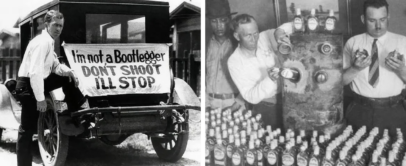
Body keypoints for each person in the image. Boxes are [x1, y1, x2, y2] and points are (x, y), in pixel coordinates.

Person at [16, 10, 84, 166]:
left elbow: (54, 66)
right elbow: (35, 72)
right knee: (27, 129)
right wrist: (40, 99)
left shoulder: (49, 41)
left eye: (61, 26)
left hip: (37, 81)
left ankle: (77, 113)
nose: (58, 29)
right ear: (46, 24)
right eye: (55, 25)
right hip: (26, 85)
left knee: (67, 77)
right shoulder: (43, 42)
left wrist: (69, 71)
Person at [343, 0, 406, 136]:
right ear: (363, 19)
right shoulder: (352, 43)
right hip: (359, 111)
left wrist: (402, 70)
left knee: (394, 153)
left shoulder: (403, 42)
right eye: (372, 20)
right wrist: (355, 68)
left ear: (388, 17)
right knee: (354, 153)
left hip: (393, 112)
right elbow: (341, 82)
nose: (378, 26)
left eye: (382, 19)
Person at [228, 14, 283, 129]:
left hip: (287, 99)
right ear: (237, 36)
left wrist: (281, 34)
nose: (254, 39)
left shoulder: (264, 37)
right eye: (248, 35)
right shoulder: (235, 62)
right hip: (267, 108)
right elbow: (249, 96)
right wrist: (270, 79)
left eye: (255, 33)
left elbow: (286, 29)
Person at [206, 0, 245, 110]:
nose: (219, 26)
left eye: (223, 20)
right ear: (209, 21)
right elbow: (202, 77)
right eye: (214, 21)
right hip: (210, 105)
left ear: (229, 20)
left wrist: (239, 102)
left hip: (235, 104)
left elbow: (250, 77)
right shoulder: (205, 45)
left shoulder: (239, 43)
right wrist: (206, 104)